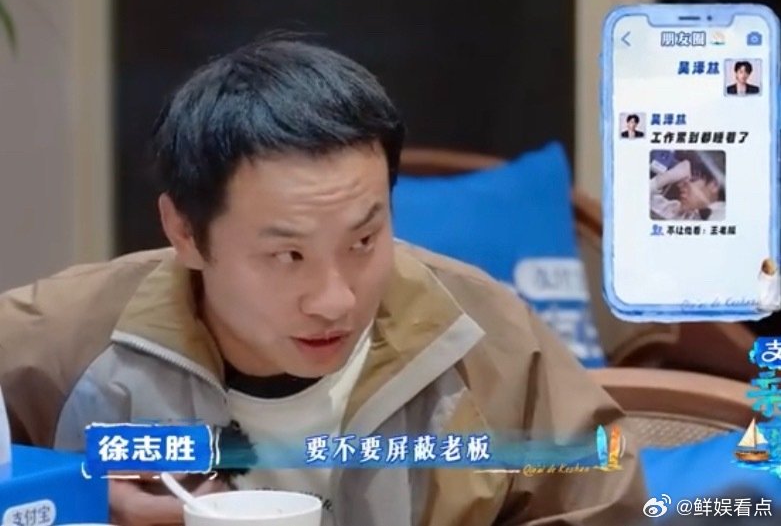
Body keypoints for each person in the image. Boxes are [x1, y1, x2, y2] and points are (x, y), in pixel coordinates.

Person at [0, 36, 648, 525]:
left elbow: (609, 498)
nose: (337, 299)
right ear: (186, 232)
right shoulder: (67, 337)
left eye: (364, 240)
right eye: (288, 255)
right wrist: (73, 497)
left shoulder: (480, 335)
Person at [649, 155, 726, 221]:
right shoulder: (679, 210)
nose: (681, 184)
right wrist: (664, 178)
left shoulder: (722, 216)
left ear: (714, 185)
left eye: (693, 178)